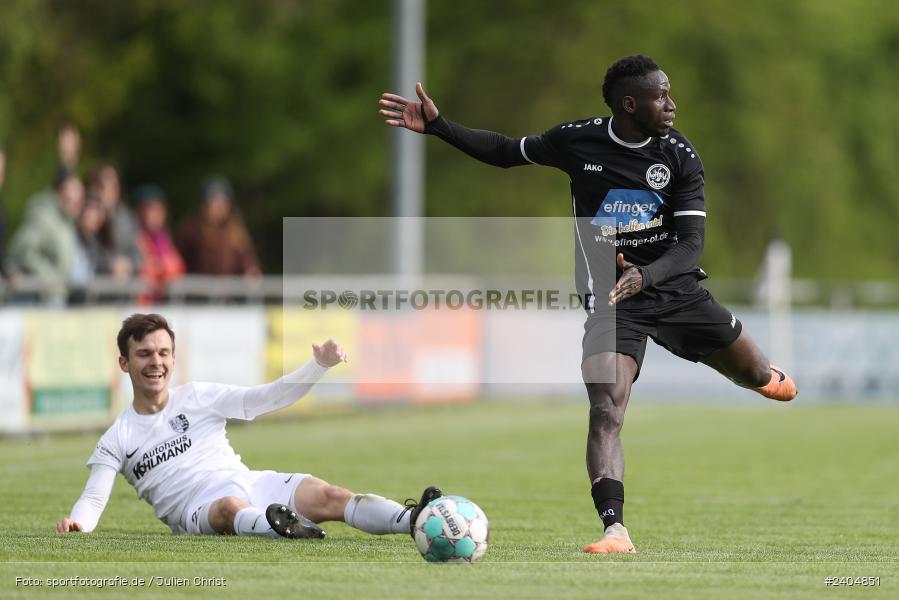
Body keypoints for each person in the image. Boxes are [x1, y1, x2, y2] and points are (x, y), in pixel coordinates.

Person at [380, 55, 798, 554]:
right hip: (611, 300)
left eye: (669, 94)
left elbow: (690, 245)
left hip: (675, 288)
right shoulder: (577, 140)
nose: (671, 104)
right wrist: (441, 127)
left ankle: (760, 374)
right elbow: (506, 151)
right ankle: (615, 529)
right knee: (605, 408)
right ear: (629, 104)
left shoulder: (680, 155)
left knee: (753, 372)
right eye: (660, 95)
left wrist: (646, 274)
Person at [56, 313, 442, 541]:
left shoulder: (200, 396)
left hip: (251, 483)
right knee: (228, 508)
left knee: (331, 495)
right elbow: (93, 499)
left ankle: (413, 520)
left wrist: (318, 365)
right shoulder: (117, 438)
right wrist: (79, 524)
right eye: (143, 354)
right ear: (125, 364)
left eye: (162, 353)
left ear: (174, 358)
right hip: (197, 511)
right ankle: (282, 528)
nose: (154, 362)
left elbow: (269, 397)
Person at [8, 168, 85, 303]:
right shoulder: (44, 216)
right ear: (60, 191)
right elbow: (21, 250)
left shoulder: (67, 219)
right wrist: (50, 278)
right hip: (38, 299)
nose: (79, 196)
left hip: (56, 296)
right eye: (74, 190)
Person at [176, 176, 261, 277]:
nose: (220, 206)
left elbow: (248, 262)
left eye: (223, 201)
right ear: (205, 204)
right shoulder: (192, 229)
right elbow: (179, 261)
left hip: (231, 290)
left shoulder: (237, 233)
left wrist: (251, 270)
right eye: (215, 201)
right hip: (199, 290)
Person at [132, 184, 185, 304]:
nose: (155, 215)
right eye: (149, 209)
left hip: (162, 304)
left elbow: (177, 267)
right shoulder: (135, 238)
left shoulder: (165, 239)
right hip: (141, 306)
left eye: (158, 209)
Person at [87, 163, 142, 279]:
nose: (109, 190)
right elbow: (87, 251)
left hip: (124, 290)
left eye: (114, 185)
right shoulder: (86, 215)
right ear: (93, 187)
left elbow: (136, 253)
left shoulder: (128, 217)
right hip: (97, 288)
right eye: (103, 185)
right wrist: (110, 266)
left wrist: (129, 265)